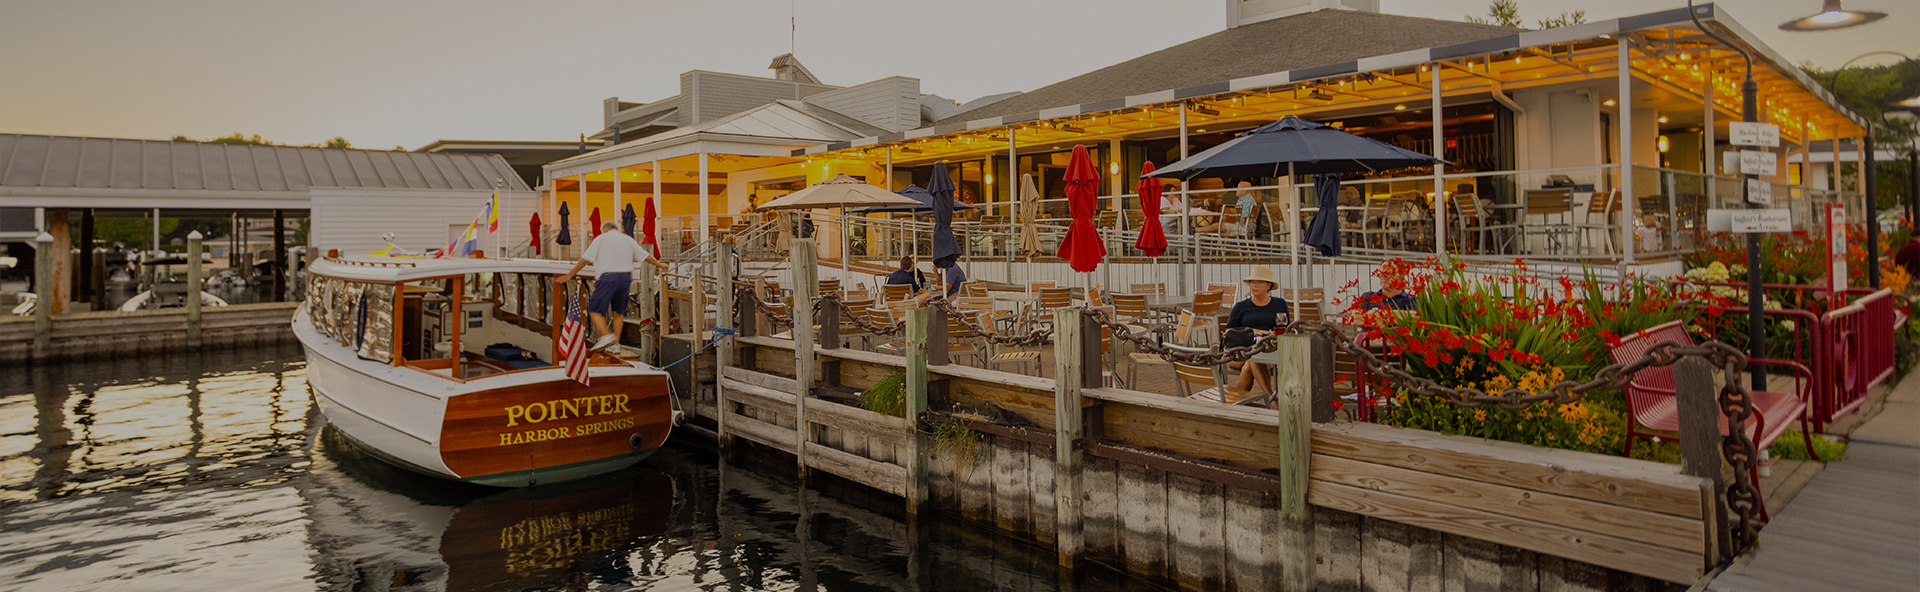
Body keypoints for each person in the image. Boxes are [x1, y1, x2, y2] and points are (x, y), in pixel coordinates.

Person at [559, 221, 669, 352]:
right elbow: (646, 256)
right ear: (617, 229)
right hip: (625, 278)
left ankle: (606, 336)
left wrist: (570, 274)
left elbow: (584, 260)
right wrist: (659, 264)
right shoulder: (628, 239)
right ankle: (615, 345)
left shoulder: (600, 238)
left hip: (608, 278)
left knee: (595, 310)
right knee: (618, 312)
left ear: (604, 230)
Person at [1225, 266, 1290, 396]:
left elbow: (1285, 327)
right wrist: (1251, 331)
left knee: (1251, 362)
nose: (1254, 285)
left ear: (1269, 286)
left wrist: (1274, 334)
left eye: (1259, 282)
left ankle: (1235, 401)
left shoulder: (1279, 304)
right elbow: (1228, 332)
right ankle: (1272, 399)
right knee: (1254, 358)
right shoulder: (1241, 307)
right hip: (1240, 353)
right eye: (1252, 282)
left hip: (1269, 352)